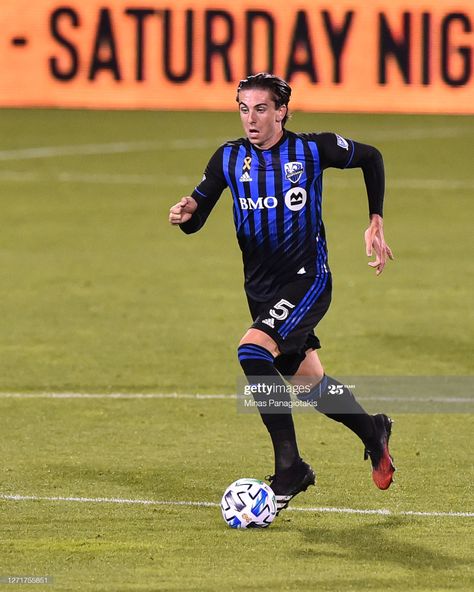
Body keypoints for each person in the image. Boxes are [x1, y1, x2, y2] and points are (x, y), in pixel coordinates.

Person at [169, 73, 395, 514]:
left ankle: (290, 467)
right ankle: (374, 430)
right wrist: (187, 213)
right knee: (309, 385)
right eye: (243, 109)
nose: (250, 119)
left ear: (282, 111)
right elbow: (200, 213)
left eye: (260, 109)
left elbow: (372, 157)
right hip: (261, 289)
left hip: (307, 279)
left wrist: (376, 218)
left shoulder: (313, 149)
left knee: (252, 353)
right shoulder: (229, 158)